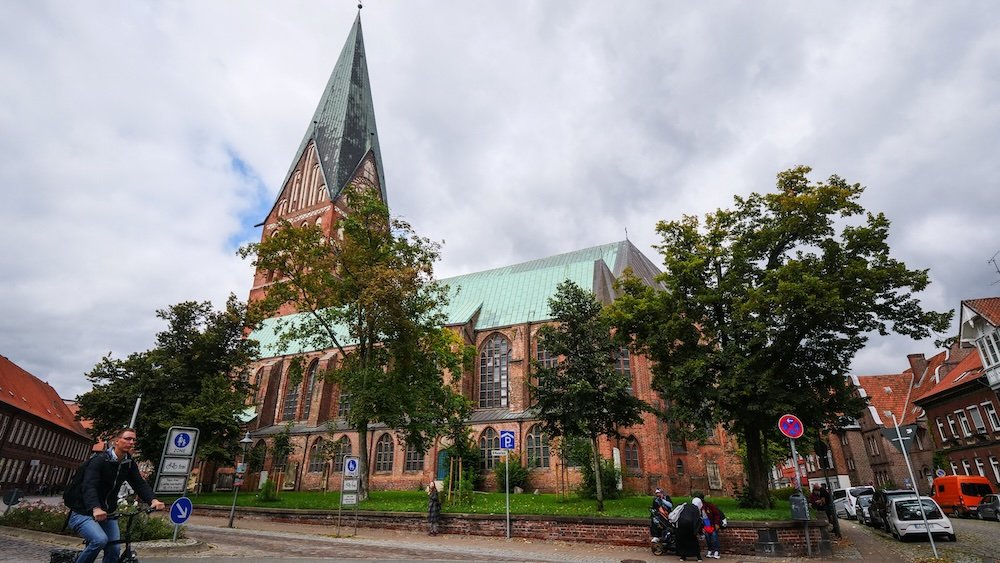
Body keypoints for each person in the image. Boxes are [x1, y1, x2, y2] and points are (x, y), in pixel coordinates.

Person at [64, 428, 164, 563]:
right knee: (99, 540)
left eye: (134, 440)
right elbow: (89, 485)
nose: (132, 442)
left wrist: (153, 500)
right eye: (128, 439)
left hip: (108, 513)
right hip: (83, 512)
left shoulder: (128, 463)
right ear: (116, 441)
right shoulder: (99, 461)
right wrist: (95, 508)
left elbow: (139, 484)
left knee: (114, 548)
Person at [675, 496, 704, 561]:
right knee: (693, 541)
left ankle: (683, 556)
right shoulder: (696, 509)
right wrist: (699, 532)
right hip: (689, 525)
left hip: (680, 524)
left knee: (683, 540)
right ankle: (698, 557)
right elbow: (697, 522)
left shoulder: (686, 506)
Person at [697, 493, 725, 559]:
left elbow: (716, 514)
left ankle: (716, 551)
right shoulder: (698, 508)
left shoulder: (709, 506)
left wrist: (716, 523)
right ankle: (710, 550)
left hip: (712, 523)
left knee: (714, 537)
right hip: (705, 524)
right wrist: (702, 527)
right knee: (708, 538)